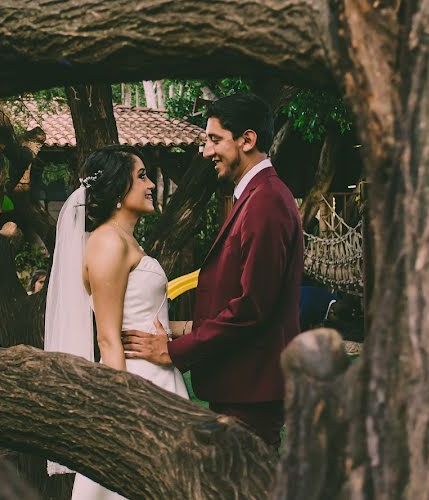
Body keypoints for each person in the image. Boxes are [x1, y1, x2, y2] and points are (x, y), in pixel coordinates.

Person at [123, 93, 304, 447]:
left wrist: (174, 351)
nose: (206, 152)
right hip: (241, 386)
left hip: (251, 390)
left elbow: (251, 307)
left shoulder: (265, 201)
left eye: (214, 139)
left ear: (247, 140)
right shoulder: (255, 196)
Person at [44, 145, 189, 500]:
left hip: (157, 374)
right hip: (135, 381)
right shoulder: (108, 242)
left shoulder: (125, 240)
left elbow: (146, 314)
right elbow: (108, 338)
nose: (151, 183)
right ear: (118, 190)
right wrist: (124, 413)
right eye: (141, 176)